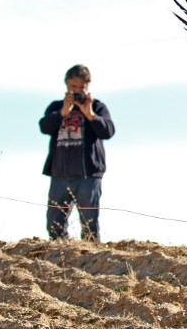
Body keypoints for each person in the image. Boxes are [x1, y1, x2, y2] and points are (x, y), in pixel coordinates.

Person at [39, 64, 115, 242]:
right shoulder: (56, 106)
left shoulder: (97, 107)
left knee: (90, 224)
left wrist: (90, 114)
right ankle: (59, 256)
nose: (77, 91)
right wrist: (64, 111)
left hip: (88, 176)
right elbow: (44, 127)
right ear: (66, 86)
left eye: (81, 88)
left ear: (88, 87)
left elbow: (108, 132)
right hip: (60, 174)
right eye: (74, 87)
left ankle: (90, 257)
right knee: (54, 223)